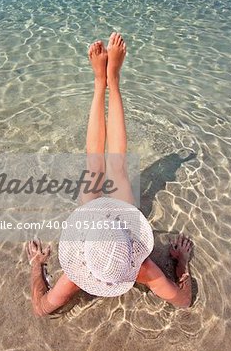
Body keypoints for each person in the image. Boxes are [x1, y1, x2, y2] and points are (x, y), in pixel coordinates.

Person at [26, 32, 193, 316]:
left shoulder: (75, 276)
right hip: (106, 227)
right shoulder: (145, 271)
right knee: (107, 163)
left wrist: (36, 265)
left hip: (105, 227)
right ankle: (111, 80)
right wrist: (181, 263)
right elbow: (183, 300)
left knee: (101, 163)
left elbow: (42, 307)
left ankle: (101, 82)